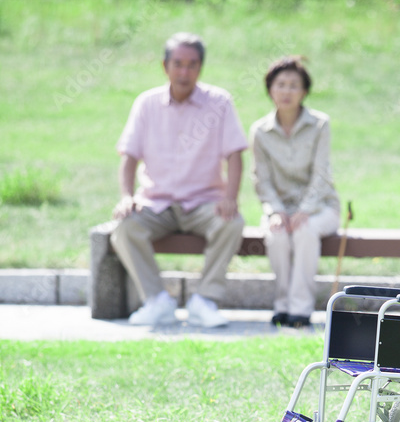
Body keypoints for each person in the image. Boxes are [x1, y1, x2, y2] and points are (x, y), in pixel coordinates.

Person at [111, 32, 247, 327]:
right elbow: (129, 156)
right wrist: (126, 196)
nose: (184, 72)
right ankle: (157, 300)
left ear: (200, 67)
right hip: (156, 202)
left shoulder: (219, 102)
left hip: (204, 202)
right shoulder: (146, 103)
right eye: (178, 64)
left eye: (192, 65)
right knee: (124, 227)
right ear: (165, 66)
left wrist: (230, 198)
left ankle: (205, 300)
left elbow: (235, 155)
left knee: (232, 223)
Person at [249, 56, 340, 328]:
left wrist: (305, 210)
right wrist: (276, 211)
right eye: (280, 84)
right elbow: (261, 180)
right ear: (270, 89)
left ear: (304, 91)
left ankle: (300, 309)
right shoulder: (260, 131)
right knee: (276, 235)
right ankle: (282, 305)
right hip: (281, 208)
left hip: (321, 208)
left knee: (304, 231)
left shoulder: (320, 124)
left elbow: (322, 174)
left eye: (293, 85)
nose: (286, 91)